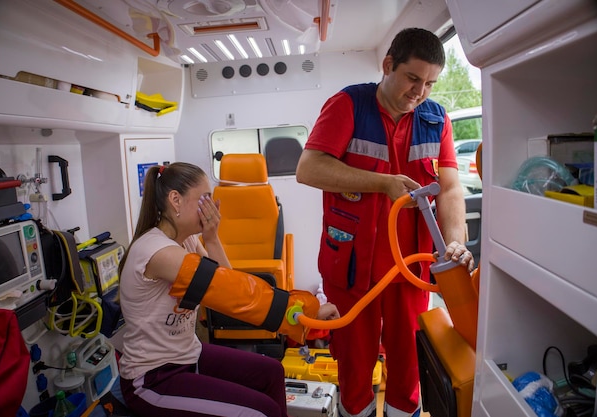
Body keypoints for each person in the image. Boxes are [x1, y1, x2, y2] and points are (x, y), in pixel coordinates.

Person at [295, 28, 475, 417]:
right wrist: (383, 184)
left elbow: (451, 188)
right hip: (353, 271)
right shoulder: (347, 105)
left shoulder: (436, 119)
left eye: (429, 83)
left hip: (411, 270)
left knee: (409, 369)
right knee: (354, 368)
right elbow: (308, 169)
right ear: (388, 65)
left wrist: (456, 240)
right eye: (413, 78)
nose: (420, 91)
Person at [117, 162, 339, 417]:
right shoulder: (158, 252)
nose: (212, 208)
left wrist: (211, 238)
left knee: (272, 372)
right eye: (205, 199)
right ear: (175, 200)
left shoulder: (187, 241)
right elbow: (234, 293)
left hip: (189, 354)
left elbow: (228, 281)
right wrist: (306, 310)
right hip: (153, 377)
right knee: (263, 411)